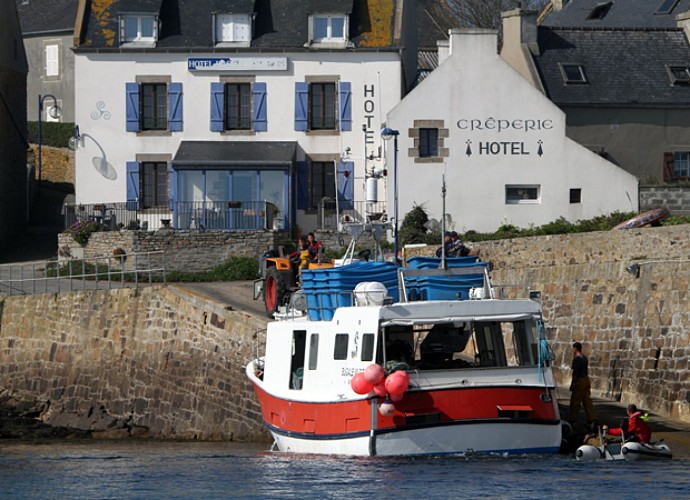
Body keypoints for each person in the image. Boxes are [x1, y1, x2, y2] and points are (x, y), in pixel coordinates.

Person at [569, 341, 597, 429]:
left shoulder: (577, 359)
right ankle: (592, 418)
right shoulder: (584, 358)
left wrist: (573, 383)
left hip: (580, 381)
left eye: (573, 348)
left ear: (575, 349)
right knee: (587, 400)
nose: (572, 350)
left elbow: (575, 373)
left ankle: (573, 419)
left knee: (575, 401)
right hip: (586, 380)